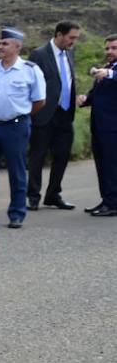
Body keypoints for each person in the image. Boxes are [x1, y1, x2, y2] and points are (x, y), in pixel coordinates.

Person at [0, 27, 47, 229]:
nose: (0, 46)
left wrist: (21, 114)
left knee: (17, 172)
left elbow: (40, 101)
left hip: (16, 127)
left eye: (5, 43)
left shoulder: (30, 70)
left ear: (17, 47)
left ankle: (16, 213)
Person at [27, 21, 82, 210]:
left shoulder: (70, 53)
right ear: (59, 34)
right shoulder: (39, 54)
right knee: (38, 156)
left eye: (75, 38)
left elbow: (67, 80)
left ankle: (53, 194)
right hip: (44, 114)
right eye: (71, 37)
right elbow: (31, 84)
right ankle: (33, 196)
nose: (73, 41)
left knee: (62, 155)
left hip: (65, 113)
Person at [80, 34, 117, 217]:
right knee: (102, 165)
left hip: (113, 128)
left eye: (114, 48)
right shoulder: (106, 70)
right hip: (100, 126)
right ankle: (107, 200)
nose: (109, 51)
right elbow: (96, 95)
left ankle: (113, 203)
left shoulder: (110, 72)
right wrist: (85, 99)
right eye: (107, 48)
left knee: (112, 165)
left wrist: (109, 74)